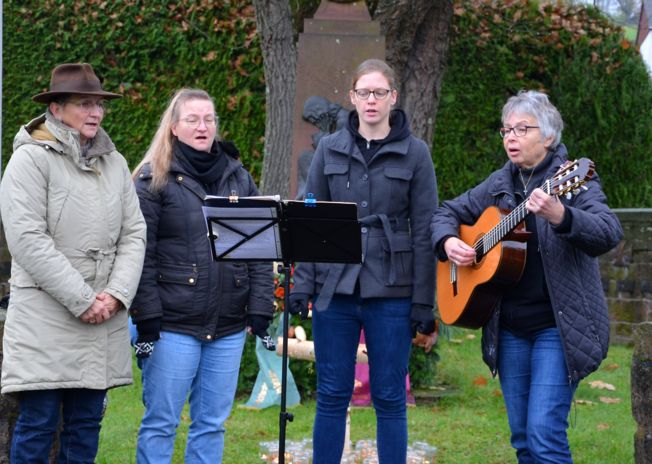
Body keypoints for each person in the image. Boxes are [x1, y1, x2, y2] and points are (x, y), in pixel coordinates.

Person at [431, 90, 623, 463]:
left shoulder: (573, 179)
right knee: (522, 439)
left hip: (559, 327)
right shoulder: (500, 182)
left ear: (549, 137)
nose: (511, 137)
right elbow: (446, 211)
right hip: (510, 329)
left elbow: (608, 231)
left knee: (544, 436)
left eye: (522, 129)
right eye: (506, 130)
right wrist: (449, 241)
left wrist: (561, 216)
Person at [289, 58, 439, 463]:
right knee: (333, 394)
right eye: (363, 93)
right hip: (335, 288)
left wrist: (425, 303)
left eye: (379, 92)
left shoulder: (416, 153)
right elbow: (310, 217)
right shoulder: (328, 148)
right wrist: (302, 282)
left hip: (392, 289)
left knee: (390, 396)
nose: (371, 101)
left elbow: (426, 229)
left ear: (393, 97)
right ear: (352, 97)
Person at [0, 62, 146, 463]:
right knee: (38, 425)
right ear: (57, 109)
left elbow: (134, 234)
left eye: (99, 104)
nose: (95, 112)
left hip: (101, 317)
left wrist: (115, 295)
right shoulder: (29, 161)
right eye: (85, 104)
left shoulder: (113, 163)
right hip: (46, 318)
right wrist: (85, 300)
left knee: (85, 428)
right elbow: (28, 241)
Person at [130, 88, 274, 464]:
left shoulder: (237, 177)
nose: (202, 126)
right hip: (171, 324)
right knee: (162, 422)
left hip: (227, 325)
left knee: (211, 423)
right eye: (192, 119)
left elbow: (259, 250)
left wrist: (260, 308)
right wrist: (147, 317)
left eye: (209, 119)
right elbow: (139, 256)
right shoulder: (152, 180)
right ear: (174, 127)